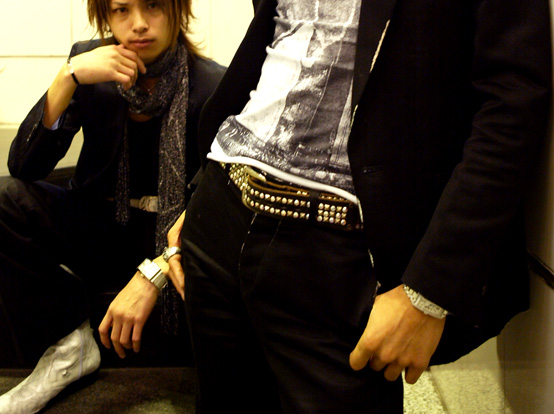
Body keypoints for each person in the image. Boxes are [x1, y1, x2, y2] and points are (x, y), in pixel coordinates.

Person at [167, 0, 552, 412]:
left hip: (339, 253)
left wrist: (430, 289)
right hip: (220, 209)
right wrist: (203, 189)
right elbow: (285, 49)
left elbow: (511, 102)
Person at [0, 0, 224, 412]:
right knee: (4, 200)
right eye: (122, 9)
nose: (138, 24)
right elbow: (24, 166)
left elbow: (215, 200)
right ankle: (68, 344)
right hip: (100, 224)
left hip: (170, 238)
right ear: (106, 15)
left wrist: (158, 267)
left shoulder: (212, 84)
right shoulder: (90, 66)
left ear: (177, 9)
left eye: (153, 5)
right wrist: (68, 77)